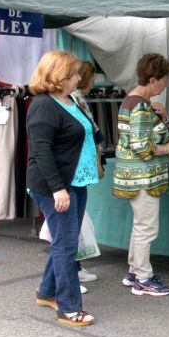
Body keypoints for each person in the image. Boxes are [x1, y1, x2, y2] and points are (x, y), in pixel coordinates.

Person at [27, 51, 98, 326]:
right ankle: (68, 308)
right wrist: (58, 189)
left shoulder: (68, 99)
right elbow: (41, 151)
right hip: (55, 186)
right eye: (75, 73)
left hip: (76, 181)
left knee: (64, 242)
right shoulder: (44, 105)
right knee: (67, 246)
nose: (80, 78)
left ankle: (46, 291)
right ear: (61, 76)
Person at [113, 53, 169, 296]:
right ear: (153, 80)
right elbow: (143, 147)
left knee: (140, 225)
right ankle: (143, 278)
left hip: (133, 176)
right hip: (144, 177)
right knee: (147, 228)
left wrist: (161, 117)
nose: (165, 85)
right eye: (164, 80)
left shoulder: (130, 102)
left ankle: (134, 272)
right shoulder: (140, 107)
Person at [69, 61, 104, 290]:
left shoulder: (76, 98)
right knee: (69, 227)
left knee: (76, 223)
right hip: (71, 171)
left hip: (78, 169)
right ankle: (69, 274)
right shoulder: (71, 99)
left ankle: (75, 269)